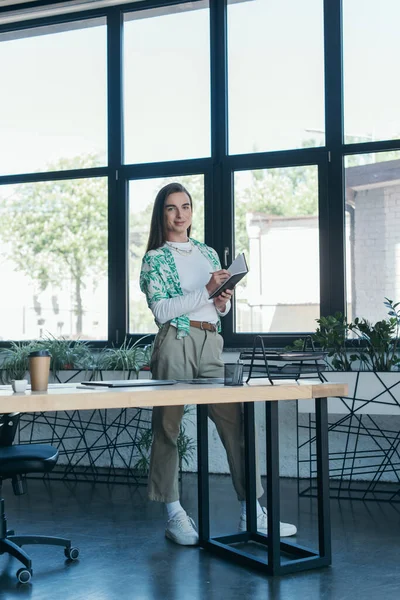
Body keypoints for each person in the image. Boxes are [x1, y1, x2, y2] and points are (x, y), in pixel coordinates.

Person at [140, 182, 296, 546]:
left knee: (236, 422)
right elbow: (162, 311)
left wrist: (221, 299)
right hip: (175, 341)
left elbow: (215, 307)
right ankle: (175, 513)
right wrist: (206, 290)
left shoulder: (208, 253)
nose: (180, 215)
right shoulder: (155, 259)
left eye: (186, 206)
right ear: (161, 215)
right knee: (168, 429)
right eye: (171, 208)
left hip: (211, 341)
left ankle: (252, 511)